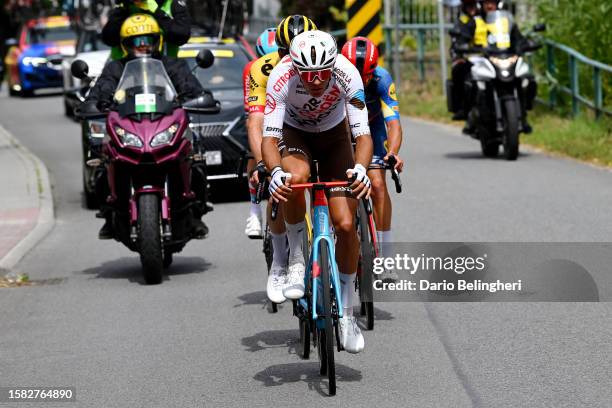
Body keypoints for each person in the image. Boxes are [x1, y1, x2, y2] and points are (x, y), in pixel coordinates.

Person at [262, 30, 372, 353]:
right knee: (294, 178)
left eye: (322, 72)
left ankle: (347, 313)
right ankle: (296, 256)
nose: (315, 79)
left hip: (336, 137)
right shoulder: (281, 76)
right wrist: (275, 172)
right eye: (308, 74)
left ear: (333, 64)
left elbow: (362, 135)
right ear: (294, 66)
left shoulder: (347, 73)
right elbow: (269, 139)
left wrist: (362, 169)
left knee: (347, 224)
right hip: (296, 134)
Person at [86, 14, 206, 239]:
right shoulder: (115, 68)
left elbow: (190, 86)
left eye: (147, 39)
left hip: (164, 122)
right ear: (125, 45)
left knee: (194, 154)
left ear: (157, 40)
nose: (142, 46)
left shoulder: (172, 65)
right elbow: (102, 89)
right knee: (103, 158)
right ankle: (110, 212)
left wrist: (198, 96)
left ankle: (195, 210)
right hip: (130, 125)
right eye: (135, 41)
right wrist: (94, 102)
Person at [246, 15, 317, 304]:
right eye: (287, 52)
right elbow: (256, 124)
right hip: (278, 132)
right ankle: (279, 259)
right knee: (280, 186)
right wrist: (265, 164)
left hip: (315, 128)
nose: (293, 59)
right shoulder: (261, 70)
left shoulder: (323, 62)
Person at [341, 36, 403, 281]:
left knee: (377, 184)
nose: (362, 79)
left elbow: (394, 123)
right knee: (346, 186)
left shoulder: (381, 78)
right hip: (342, 130)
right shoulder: (336, 76)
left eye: (366, 75)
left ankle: (386, 257)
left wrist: (392, 152)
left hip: (373, 128)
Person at [243, 27, 279, 239]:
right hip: (261, 110)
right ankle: (254, 211)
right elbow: (252, 112)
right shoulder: (252, 69)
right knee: (253, 148)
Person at [102, 0, 191, 60]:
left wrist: (156, 11)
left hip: (166, 73)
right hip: (124, 75)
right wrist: (122, 10)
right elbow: (109, 39)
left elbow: (182, 36)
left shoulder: (171, 4)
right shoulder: (123, 7)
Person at [449, 0, 485, 123]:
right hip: (469, 57)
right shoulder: (462, 20)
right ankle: (462, 108)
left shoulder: (489, 18)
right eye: (468, 5)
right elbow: (456, 40)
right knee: (458, 69)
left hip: (490, 56)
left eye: (473, 5)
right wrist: (459, 48)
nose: (471, 8)